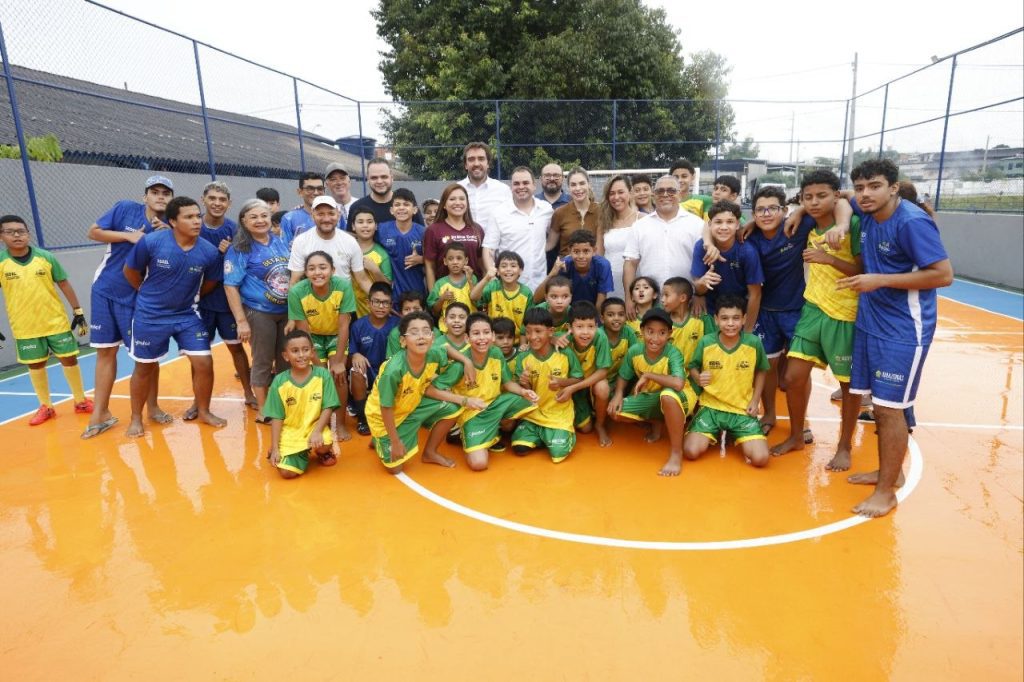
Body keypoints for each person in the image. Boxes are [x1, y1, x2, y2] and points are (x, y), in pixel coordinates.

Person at [841, 159, 953, 517]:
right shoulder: (866, 212)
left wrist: (880, 280)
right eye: (860, 187)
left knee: (890, 410)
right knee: (880, 406)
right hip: (871, 323)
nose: (865, 194)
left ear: (893, 187)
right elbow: (839, 197)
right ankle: (890, 473)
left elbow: (943, 275)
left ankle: (885, 492)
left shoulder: (911, 222)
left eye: (874, 186)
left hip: (904, 330)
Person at [770, 170, 863, 471]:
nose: (814, 202)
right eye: (808, 197)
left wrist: (830, 259)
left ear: (835, 195)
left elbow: (863, 271)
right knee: (792, 378)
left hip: (844, 313)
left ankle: (844, 446)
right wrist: (798, 210)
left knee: (848, 386)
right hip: (812, 309)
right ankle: (797, 436)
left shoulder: (852, 225)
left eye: (821, 196)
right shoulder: (808, 222)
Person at [123, 196, 226, 437]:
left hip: (186, 315)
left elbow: (211, 282)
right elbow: (130, 272)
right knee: (144, 367)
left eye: (198, 216)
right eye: (189, 217)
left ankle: (204, 411)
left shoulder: (209, 251)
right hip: (150, 315)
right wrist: (146, 295)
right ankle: (136, 418)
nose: (196, 221)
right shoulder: (151, 242)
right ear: (172, 221)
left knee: (204, 362)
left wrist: (193, 297)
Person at [84, 174, 173, 438]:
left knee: (148, 356)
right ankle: (100, 413)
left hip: (139, 296)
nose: (160, 197)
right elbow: (93, 232)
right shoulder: (125, 208)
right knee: (105, 351)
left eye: (165, 193)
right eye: (155, 192)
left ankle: (152, 407)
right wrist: (129, 236)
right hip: (105, 289)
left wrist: (165, 237)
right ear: (145, 196)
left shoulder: (172, 225)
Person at [0, 215, 92, 426]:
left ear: (28, 234)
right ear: (1, 236)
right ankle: (46, 406)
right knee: (35, 364)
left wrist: (78, 311)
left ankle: (80, 401)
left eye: (21, 231)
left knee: (69, 359)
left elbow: (64, 283)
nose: (17, 235)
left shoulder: (46, 257)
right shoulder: (2, 262)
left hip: (55, 321)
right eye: (10, 232)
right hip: (25, 326)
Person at [365, 311, 481, 472]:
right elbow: (386, 408)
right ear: (403, 341)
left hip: (412, 405)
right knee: (395, 468)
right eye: (414, 332)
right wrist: (395, 442)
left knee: (452, 408)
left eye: (426, 331)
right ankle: (380, 437)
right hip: (384, 417)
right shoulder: (393, 371)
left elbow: (446, 348)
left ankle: (430, 453)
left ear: (432, 338)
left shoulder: (432, 353)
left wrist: (467, 361)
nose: (421, 336)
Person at [745, 186, 815, 438]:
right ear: (753, 214)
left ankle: (802, 421)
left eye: (772, 208)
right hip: (765, 312)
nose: (766, 214)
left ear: (784, 210)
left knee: (799, 373)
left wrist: (802, 210)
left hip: (797, 311)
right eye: (760, 210)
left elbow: (837, 200)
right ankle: (769, 414)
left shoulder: (797, 227)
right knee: (766, 367)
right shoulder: (749, 237)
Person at [191, 181, 257, 418]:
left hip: (227, 302)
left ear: (229, 204)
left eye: (222, 199)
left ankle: (249, 393)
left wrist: (230, 252)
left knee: (236, 349)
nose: (217, 203)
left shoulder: (235, 230)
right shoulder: (193, 226)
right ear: (203, 199)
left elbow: (244, 262)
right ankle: (198, 402)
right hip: (200, 303)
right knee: (198, 355)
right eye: (212, 198)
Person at [224, 198, 292, 423]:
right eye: (253, 217)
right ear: (244, 221)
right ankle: (264, 408)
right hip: (259, 311)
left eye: (264, 216)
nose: (260, 220)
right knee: (262, 360)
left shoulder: (279, 241)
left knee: (286, 359)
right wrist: (241, 321)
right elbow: (230, 286)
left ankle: (282, 403)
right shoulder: (239, 249)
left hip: (286, 311)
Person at [683, 294, 771, 469]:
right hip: (711, 407)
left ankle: (733, 432)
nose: (730, 323)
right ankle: (711, 431)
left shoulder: (753, 343)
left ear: (744, 319)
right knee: (690, 451)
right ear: (716, 320)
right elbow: (692, 366)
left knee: (761, 459)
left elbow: (762, 370)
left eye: (736, 318)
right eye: (724, 318)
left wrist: (755, 400)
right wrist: (698, 377)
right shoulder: (706, 342)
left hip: (741, 409)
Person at [608, 308, 696, 476]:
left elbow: (678, 384)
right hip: (652, 397)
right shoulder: (635, 351)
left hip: (680, 397)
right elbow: (623, 376)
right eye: (650, 331)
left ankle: (676, 453)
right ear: (642, 331)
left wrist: (649, 375)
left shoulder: (673, 352)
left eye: (662, 333)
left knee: (667, 396)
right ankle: (656, 420)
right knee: (615, 411)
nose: (655, 338)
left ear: (669, 334)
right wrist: (618, 394)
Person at [448, 312, 539, 470]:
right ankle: (463, 432)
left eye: (486, 332)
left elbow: (508, 383)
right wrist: (465, 401)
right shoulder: (459, 363)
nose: (482, 338)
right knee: (479, 464)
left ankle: (493, 431)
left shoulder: (496, 353)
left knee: (530, 401)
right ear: (467, 338)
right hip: (472, 413)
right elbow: (436, 389)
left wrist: (523, 392)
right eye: (476, 333)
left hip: (495, 404)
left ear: (492, 336)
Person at [286, 251, 356, 441]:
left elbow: (343, 326)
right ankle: (320, 423)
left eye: (322, 267)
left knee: (339, 376)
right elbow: (304, 333)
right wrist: (319, 366)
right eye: (311, 268)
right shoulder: (297, 292)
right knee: (318, 378)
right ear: (305, 272)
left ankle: (340, 423)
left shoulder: (343, 286)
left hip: (335, 335)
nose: (317, 272)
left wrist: (339, 362)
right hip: (313, 337)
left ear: (332, 270)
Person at [622, 175, 712, 318]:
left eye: (671, 190)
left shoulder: (697, 224)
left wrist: (700, 294)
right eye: (660, 191)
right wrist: (629, 298)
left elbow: (705, 262)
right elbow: (630, 264)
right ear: (654, 195)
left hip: (687, 302)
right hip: (649, 303)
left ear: (679, 194)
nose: (665, 194)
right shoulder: (639, 226)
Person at [510, 307, 584, 462]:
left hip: (558, 413)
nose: (532, 337)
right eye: (528, 332)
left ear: (550, 332)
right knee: (519, 448)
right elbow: (527, 392)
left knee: (558, 454)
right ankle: (543, 434)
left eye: (538, 331)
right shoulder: (523, 357)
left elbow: (579, 379)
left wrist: (561, 382)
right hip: (534, 413)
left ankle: (560, 433)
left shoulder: (564, 353)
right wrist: (524, 384)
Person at [264, 329, 340, 478]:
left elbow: (328, 407)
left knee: (324, 444)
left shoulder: (323, 375)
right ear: (286, 356)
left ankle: (320, 452)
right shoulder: (279, 382)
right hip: (291, 431)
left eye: (305, 350)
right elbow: (277, 417)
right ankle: (298, 452)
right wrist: (275, 447)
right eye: (295, 351)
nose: (301, 355)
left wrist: (317, 431)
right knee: (286, 473)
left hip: (314, 427)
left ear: (312, 352)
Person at [691, 200, 764, 331]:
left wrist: (747, 332)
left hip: (738, 313)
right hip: (710, 312)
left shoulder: (747, 251)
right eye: (718, 222)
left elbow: (755, 294)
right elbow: (698, 289)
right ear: (710, 224)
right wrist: (703, 283)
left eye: (729, 222)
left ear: (737, 225)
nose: (724, 227)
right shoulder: (701, 246)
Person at [481, 166, 554, 290]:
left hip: (539, 285)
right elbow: (489, 249)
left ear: (534, 185)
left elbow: (553, 236)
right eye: (516, 183)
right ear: (511, 187)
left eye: (525, 183)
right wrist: (492, 278)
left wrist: (542, 249)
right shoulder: (498, 213)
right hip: (508, 287)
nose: (521, 187)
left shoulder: (546, 210)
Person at [288, 196, 371, 295]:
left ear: (338, 215)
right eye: (320, 214)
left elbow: (362, 279)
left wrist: (379, 299)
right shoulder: (301, 242)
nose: (326, 219)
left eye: (331, 213)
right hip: (312, 302)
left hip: (344, 301)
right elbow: (295, 281)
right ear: (312, 216)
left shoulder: (350, 242)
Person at [348, 282, 399, 436]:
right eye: (376, 301)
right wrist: (355, 354)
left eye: (385, 303)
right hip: (369, 371)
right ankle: (363, 418)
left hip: (389, 374)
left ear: (391, 305)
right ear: (368, 303)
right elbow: (351, 351)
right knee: (356, 371)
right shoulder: (358, 325)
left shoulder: (397, 325)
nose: (381, 306)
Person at [563, 301, 613, 446]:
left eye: (590, 326)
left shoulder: (600, 337)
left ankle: (600, 424)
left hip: (588, 383)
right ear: (569, 328)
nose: (585, 332)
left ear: (596, 326)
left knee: (603, 387)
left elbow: (603, 372)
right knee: (585, 429)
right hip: (569, 383)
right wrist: (553, 339)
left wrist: (575, 387)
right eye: (579, 327)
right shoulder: (563, 339)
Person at [423, 183, 485, 288]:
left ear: (467, 203)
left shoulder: (477, 229)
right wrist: (434, 295)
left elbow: (482, 264)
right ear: (444, 204)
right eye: (452, 199)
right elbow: (429, 266)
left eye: (462, 199)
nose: (457, 203)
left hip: (473, 291)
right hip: (445, 292)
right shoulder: (433, 230)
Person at [536, 229, 613, 308]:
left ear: (594, 251)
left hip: (592, 311)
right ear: (569, 251)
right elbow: (536, 299)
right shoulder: (563, 265)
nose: (581, 256)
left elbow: (601, 299)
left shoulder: (602, 265)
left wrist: (596, 316)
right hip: (568, 310)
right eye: (576, 252)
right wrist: (552, 273)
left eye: (586, 251)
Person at [377, 187, 427, 306]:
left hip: (416, 291)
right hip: (390, 293)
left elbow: (436, 259)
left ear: (415, 210)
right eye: (397, 204)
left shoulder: (424, 232)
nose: (401, 208)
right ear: (391, 210)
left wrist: (422, 259)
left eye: (406, 204)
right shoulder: (381, 229)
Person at [472, 249, 533, 339]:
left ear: (520, 270)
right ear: (498, 271)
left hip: (516, 341)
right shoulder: (492, 287)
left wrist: (522, 343)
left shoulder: (526, 293)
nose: (508, 269)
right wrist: (487, 277)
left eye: (513, 266)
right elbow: (473, 297)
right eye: (504, 266)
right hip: (493, 339)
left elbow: (528, 322)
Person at [346, 157, 424, 226]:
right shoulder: (356, 207)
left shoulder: (408, 204)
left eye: (384, 177)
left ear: (392, 178)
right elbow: (351, 236)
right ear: (368, 180)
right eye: (374, 178)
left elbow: (421, 234)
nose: (379, 181)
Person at [597, 174, 638, 300]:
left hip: (636, 281)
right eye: (612, 193)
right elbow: (599, 256)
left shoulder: (642, 219)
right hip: (610, 281)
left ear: (630, 193)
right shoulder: (603, 222)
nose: (616, 197)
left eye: (621, 192)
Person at [457, 141, 512, 235]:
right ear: (466, 165)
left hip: (495, 244)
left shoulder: (503, 190)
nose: (476, 163)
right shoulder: (456, 189)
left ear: (488, 163)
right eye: (471, 159)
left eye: (481, 159)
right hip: (462, 243)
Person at [349, 207, 393, 318]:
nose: (365, 225)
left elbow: (388, 287)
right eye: (360, 222)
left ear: (376, 226)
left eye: (369, 222)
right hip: (348, 308)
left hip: (371, 312)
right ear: (353, 226)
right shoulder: (347, 249)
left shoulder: (382, 254)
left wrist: (376, 271)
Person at [549, 167, 599, 257]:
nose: (578, 188)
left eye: (582, 183)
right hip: (567, 264)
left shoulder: (601, 211)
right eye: (573, 185)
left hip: (594, 264)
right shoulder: (560, 213)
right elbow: (550, 245)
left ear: (589, 184)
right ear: (568, 187)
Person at [428, 242, 477, 333]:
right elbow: (434, 311)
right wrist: (442, 299)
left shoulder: (472, 278)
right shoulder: (440, 284)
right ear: (445, 261)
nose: (455, 262)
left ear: (466, 261)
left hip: (470, 328)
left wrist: (470, 281)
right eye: (450, 259)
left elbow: (479, 303)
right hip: (447, 330)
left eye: (459, 258)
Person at [599, 297, 637, 390]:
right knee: (601, 389)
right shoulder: (598, 335)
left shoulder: (629, 333)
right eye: (610, 315)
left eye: (621, 314)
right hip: (599, 379)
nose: (616, 318)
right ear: (602, 319)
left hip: (622, 379)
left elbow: (635, 358)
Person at [279, 172, 327, 243]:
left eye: (320, 188)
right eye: (310, 188)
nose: (316, 192)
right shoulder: (289, 219)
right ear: (300, 192)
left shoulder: (334, 217)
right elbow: (285, 247)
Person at [386, 290, 430, 358]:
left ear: (424, 311)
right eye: (407, 309)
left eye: (416, 309)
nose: (412, 313)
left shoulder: (433, 331)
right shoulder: (395, 334)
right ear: (401, 313)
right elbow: (393, 361)